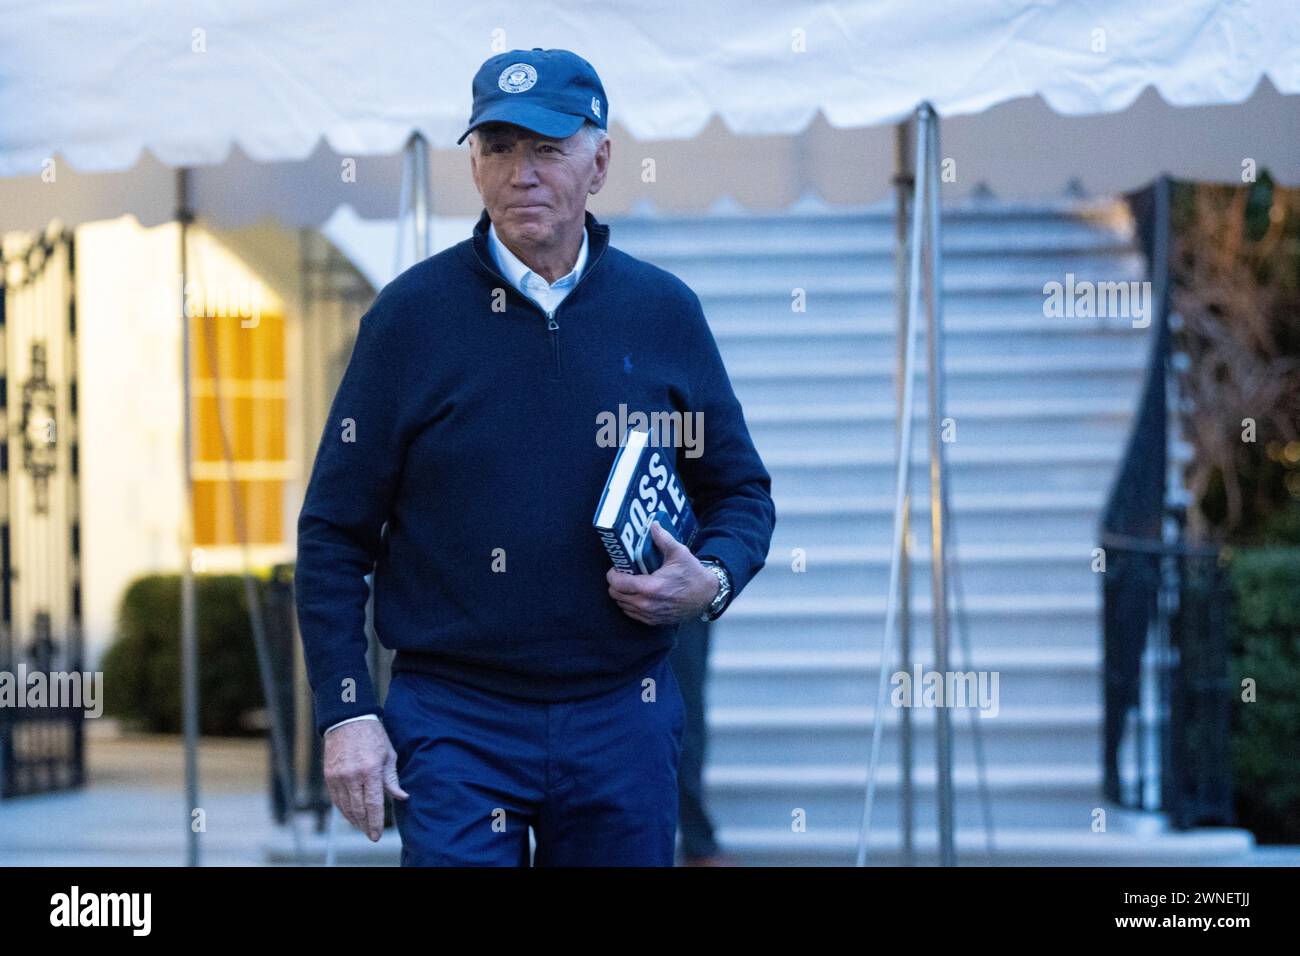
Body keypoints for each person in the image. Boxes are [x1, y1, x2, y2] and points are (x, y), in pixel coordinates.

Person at [295, 47, 775, 866]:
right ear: (474, 165)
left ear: (601, 162)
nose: (523, 173)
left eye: (548, 148)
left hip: (623, 711)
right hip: (454, 718)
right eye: (499, 147)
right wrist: (347, 712)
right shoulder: (409, 321)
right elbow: (333, 536)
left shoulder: (661, 312)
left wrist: (714, 579)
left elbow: (740, 493)